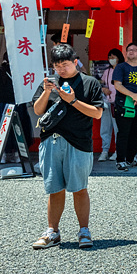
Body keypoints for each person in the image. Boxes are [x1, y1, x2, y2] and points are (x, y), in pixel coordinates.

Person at [30, 44, 104, 250]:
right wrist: (46, 92)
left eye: (65, 64)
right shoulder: (49, 83)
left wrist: (72, 101)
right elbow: (37, 110)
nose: (61, 70)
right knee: (54, 189)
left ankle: (84, 230)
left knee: (79, 188)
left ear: (75, 62)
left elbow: (97, 113)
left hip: (78, 142)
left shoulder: (90, 83)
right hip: (50, 140)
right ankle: (52, 231)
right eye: (57, 66)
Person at [112, 43, 137, 172]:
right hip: (124, 104)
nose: (131, 52)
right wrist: (133, 96)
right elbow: (117, 85)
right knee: (124, 133)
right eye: (129, 50)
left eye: (134, 50)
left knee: (135, 133)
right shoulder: (120, 67)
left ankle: (131, 158)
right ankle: (121, 160)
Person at [97, 48, 122, 162]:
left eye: (113, 57)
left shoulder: (123, 69)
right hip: (107, 103)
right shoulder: (107, 71)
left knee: (118, 128)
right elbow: (102, 84)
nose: (111, 59)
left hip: (119, 103)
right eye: (110, 57)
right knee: (105, 128)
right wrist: (103, 89)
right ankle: (105, 151)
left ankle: (118, 151)